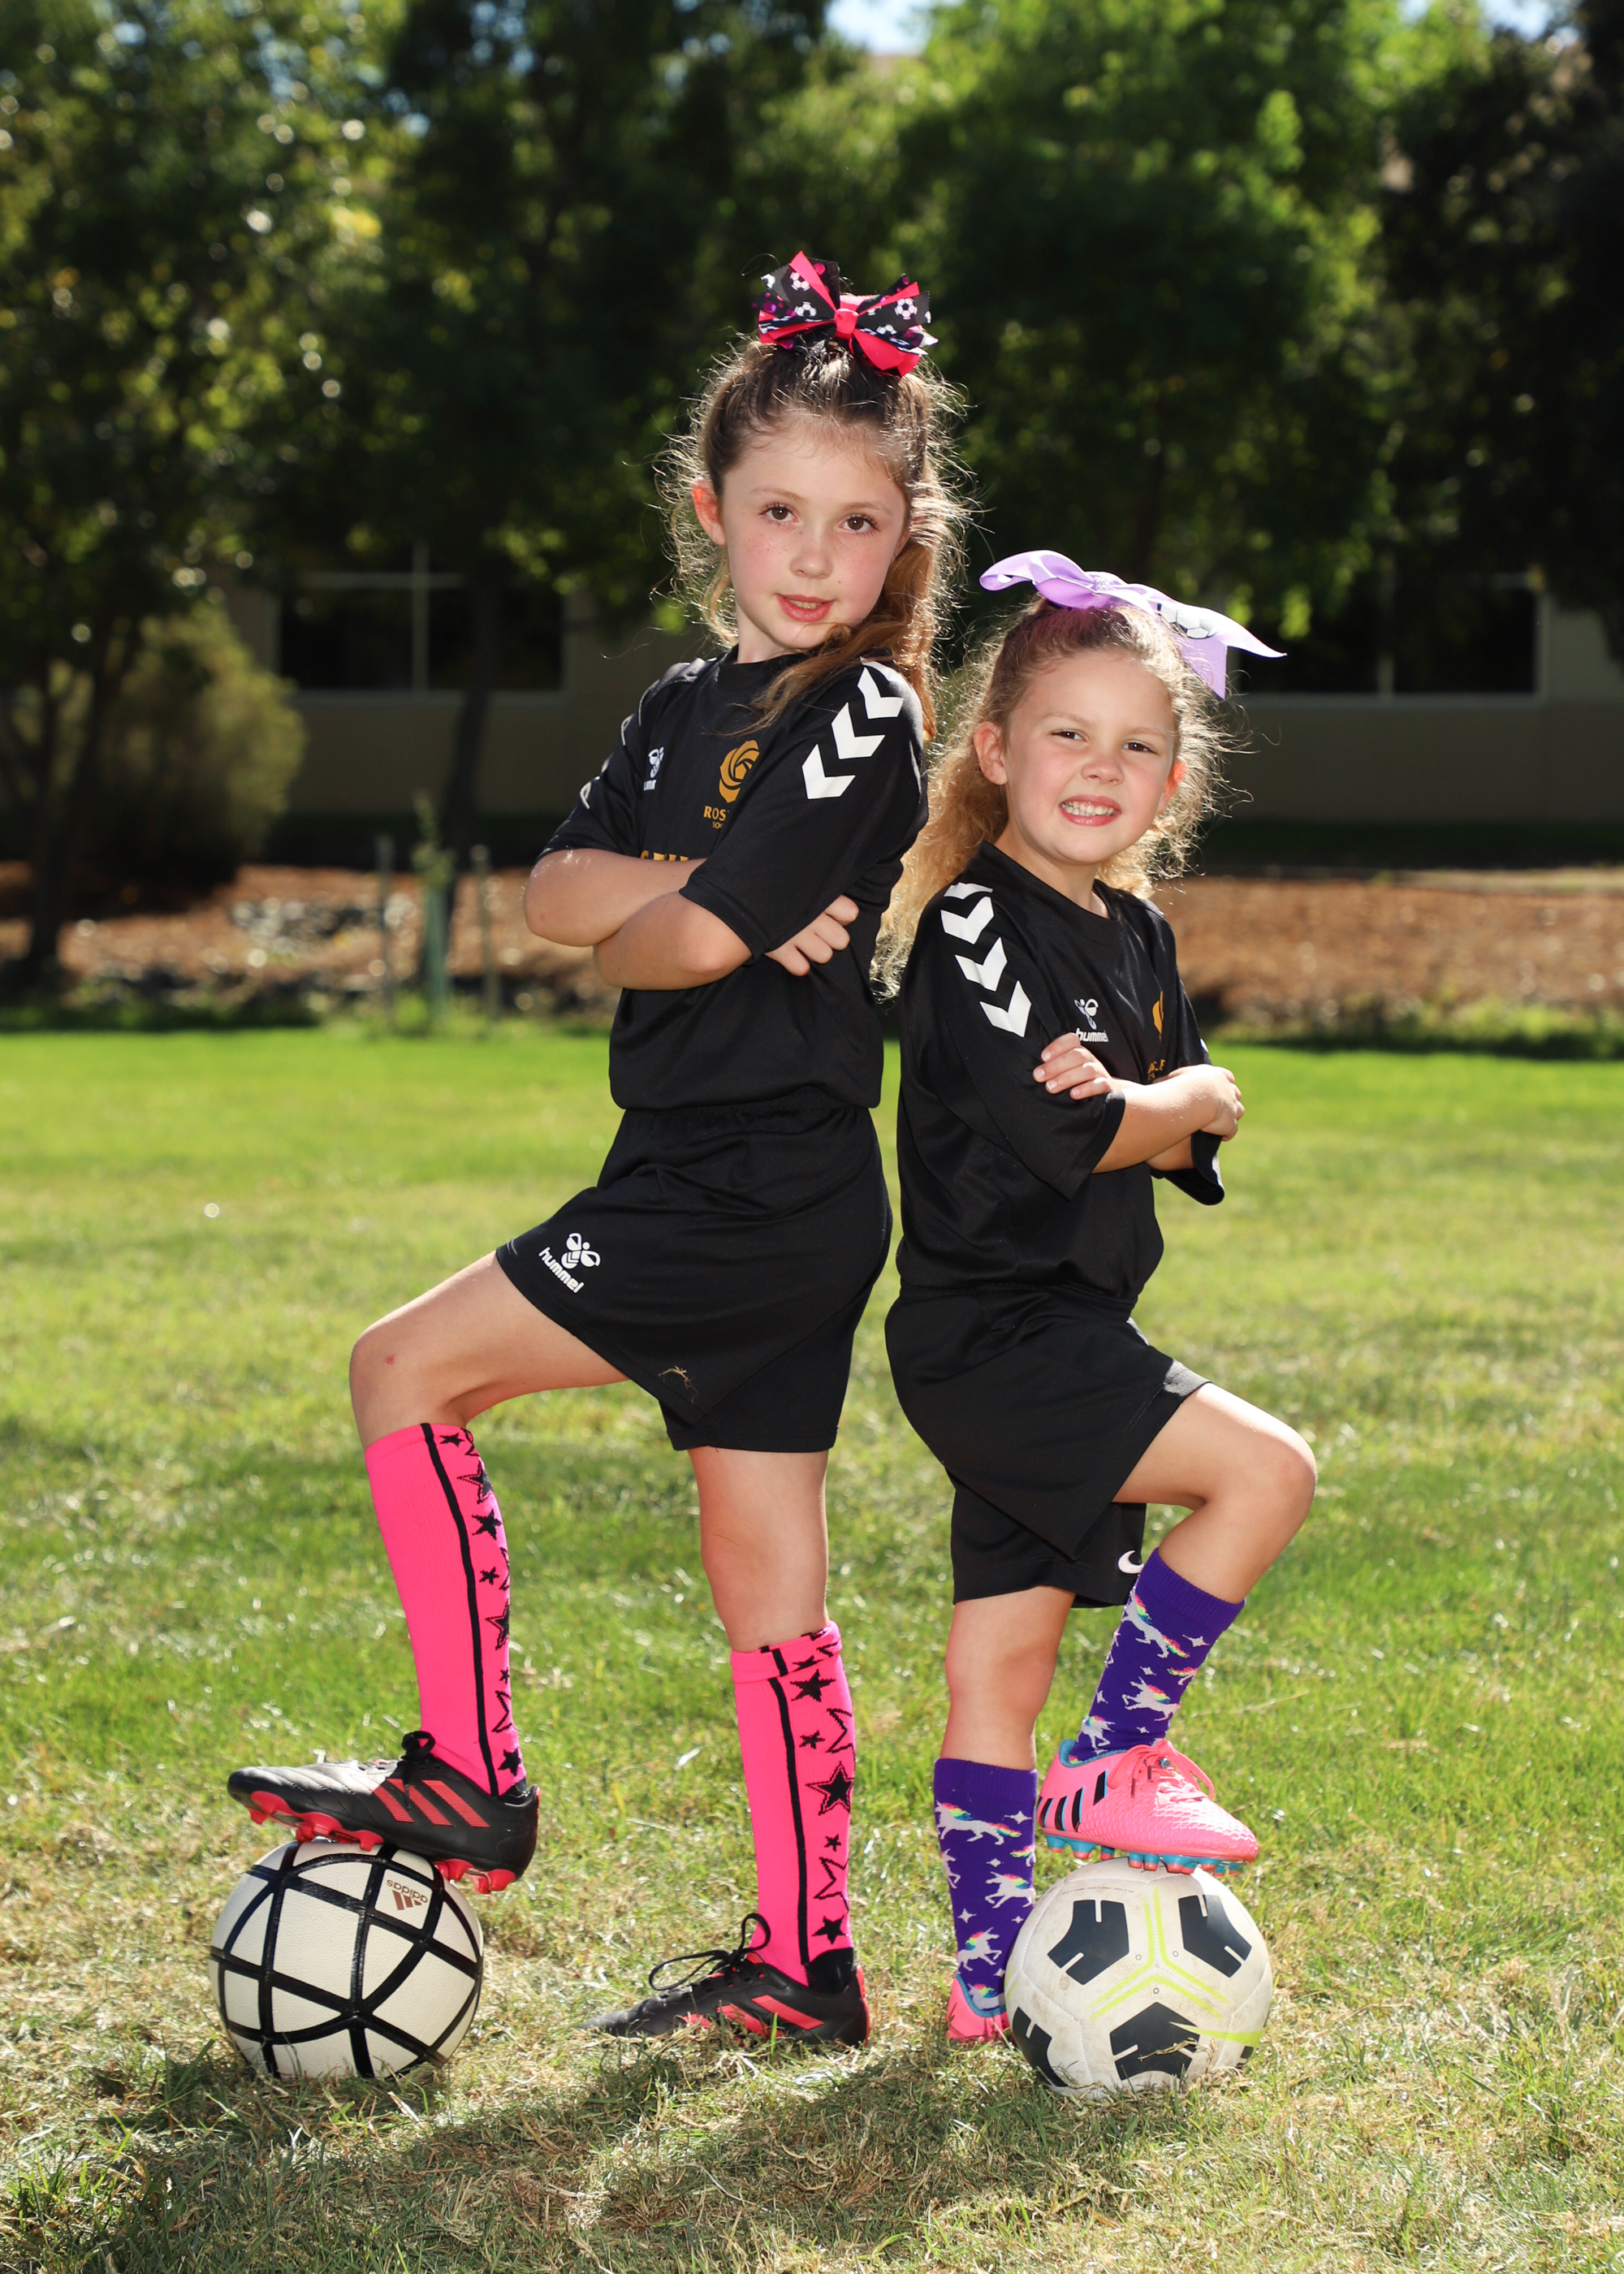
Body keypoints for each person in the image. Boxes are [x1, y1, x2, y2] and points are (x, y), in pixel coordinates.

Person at [228, 254, 965, 2048]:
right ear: (712, 510)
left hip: (752, 1184)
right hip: (723, 1179)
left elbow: (668, 947)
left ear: (902, 543)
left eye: (856, 523)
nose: (813, 555)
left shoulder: (864, 711)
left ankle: (471, 1776)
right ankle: (807, 1963)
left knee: (402, 1368)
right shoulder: (676, 708)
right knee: (765, 1583)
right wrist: (697, 896)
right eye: (779, 511)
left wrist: (679, 920)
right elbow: (552, 895)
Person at [875, 553, 1316, 2043]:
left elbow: (1178, 1133)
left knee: (998, 1662)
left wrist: (1161, 1099)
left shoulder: (1137, 936)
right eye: (1068, 733)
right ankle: (1119, 1752)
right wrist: (1170, 1100)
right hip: (993, 1332)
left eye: (1137, 746)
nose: (1100, 768)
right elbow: (1079, 1135)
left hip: (1069, 1328)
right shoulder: (973, 925)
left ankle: (987, 1979)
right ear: (997, 749)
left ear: (1172, 782)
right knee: (1267, 1473)